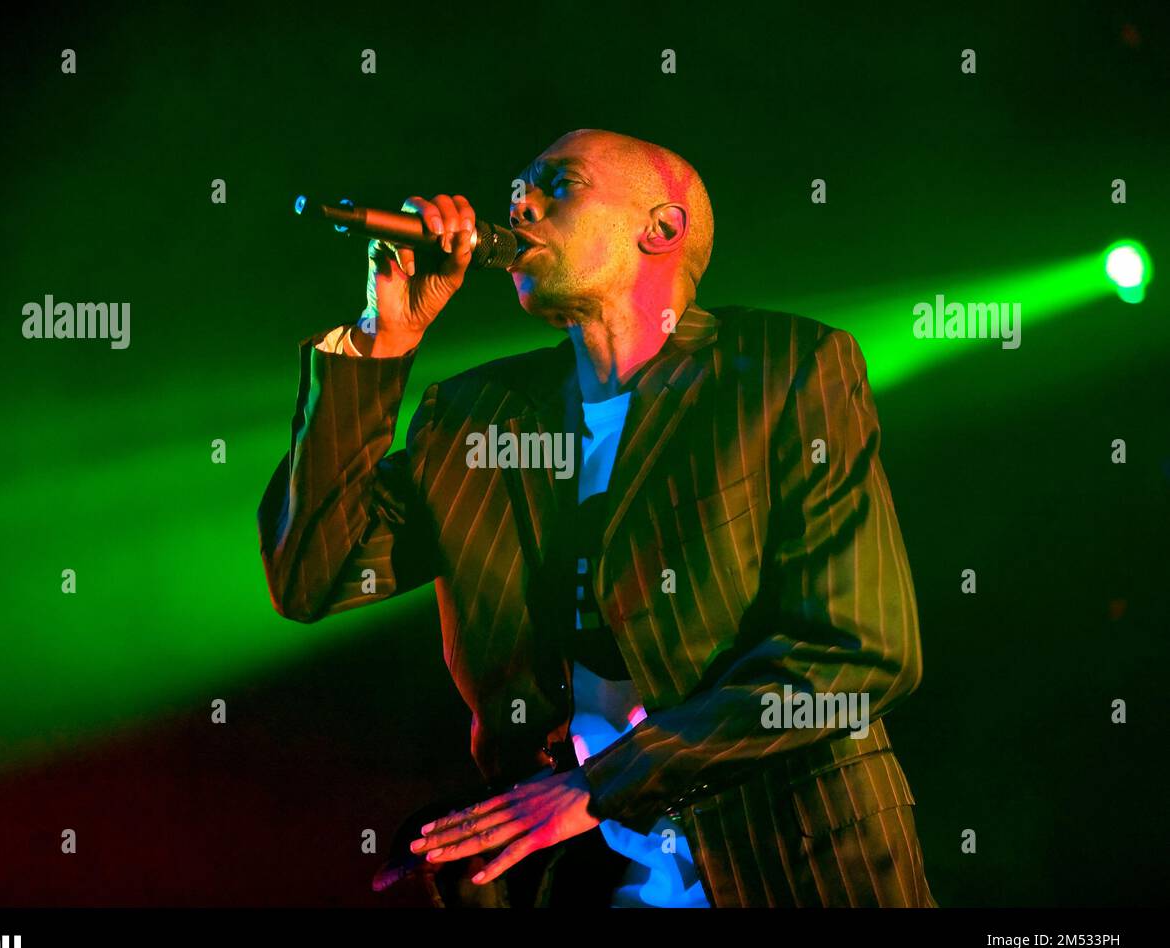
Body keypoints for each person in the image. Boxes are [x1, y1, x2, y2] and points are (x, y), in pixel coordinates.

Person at [258, 128, 937, 907]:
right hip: (577, 882)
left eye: (558, 183)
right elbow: (314, 574)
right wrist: (386, 335)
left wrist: (602, 787)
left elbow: (862, 652)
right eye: (516, 192)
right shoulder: (475, 416)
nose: (521, 204)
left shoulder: (783, 370)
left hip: (791, 858)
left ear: (661, 227)